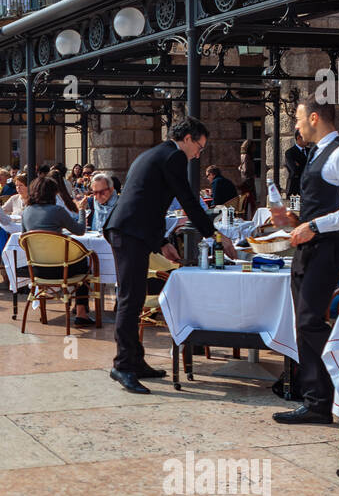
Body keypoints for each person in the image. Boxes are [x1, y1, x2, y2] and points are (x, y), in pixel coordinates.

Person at [105, 117, 235, 395]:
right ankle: (123, 365)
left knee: (135, 297)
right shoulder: (174, 156)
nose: (199, 153)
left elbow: (147, 202)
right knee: (130, 299)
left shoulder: (156, 153)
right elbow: (188, 199)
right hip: (128, 232)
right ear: (187, 138)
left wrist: (162, 241)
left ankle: (136, 362)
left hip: (131, 230)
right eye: (199, 146)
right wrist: (216, 236)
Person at [269, 100, 339, 425]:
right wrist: (294, 219)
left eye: (299, 120)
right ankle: (320, 399)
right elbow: (324, 207)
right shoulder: (316, 153)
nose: (296, 127)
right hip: (312, 247)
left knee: (311, 322)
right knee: (304, 323)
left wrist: (313, 227)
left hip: (328, 249)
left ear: (314, 118)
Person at [21, 174, 96, 326]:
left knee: (79, 261)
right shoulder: (57, 211)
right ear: (53, 193)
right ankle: (81, 312)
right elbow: (80, 230)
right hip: (61, 269)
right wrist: (81, 210)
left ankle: (50, 311)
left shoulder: (26, 212)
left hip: (37, 270)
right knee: (84, 261)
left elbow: (25, 237)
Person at [284, 132, 307, 198]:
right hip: (295, 188)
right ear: (298, 138)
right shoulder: (290, 152)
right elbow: (294, 169)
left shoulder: (310, 151)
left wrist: (299, 165)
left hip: (308, 187)